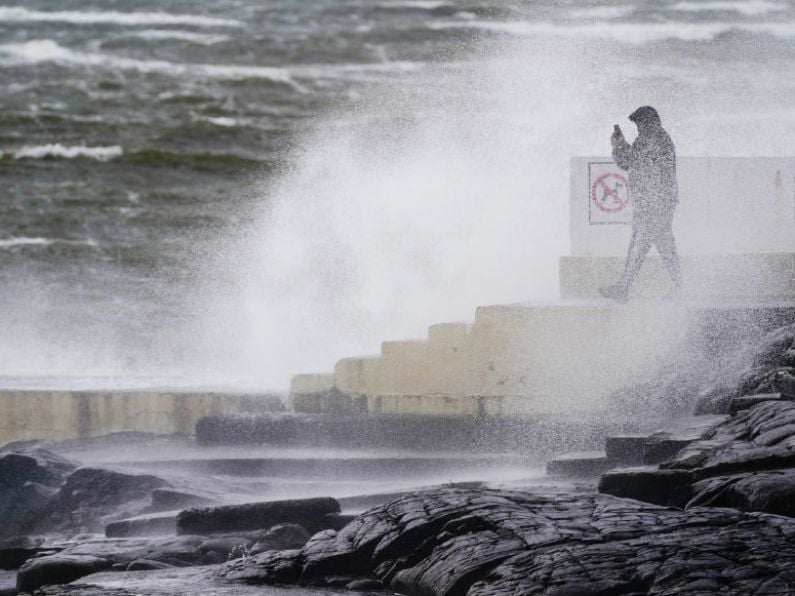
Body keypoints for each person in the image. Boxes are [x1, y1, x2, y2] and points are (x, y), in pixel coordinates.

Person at [599, 106, 682, 303]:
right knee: (664, 248)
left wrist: (619, 146)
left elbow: (632, 161)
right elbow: (631, 162)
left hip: (655, 206)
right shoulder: (651, 138)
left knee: (639, 247)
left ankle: (623, 288)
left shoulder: (655, 139)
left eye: (639, 124)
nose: (638, 128)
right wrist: (620, 146)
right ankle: (681, 288)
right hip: (653, 205)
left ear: (648, 122)